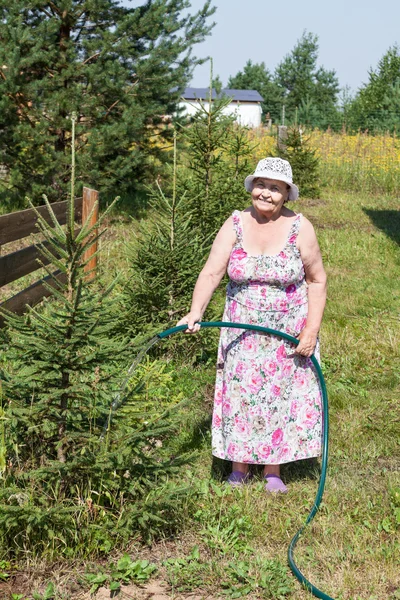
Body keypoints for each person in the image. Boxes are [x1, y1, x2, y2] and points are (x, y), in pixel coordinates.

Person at [177, 157, 327, 493]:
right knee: (241, 394)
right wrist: (195, 310)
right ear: (251, 187)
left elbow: (317, 281)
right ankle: (239, 467)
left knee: (281, 395)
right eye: (261, 185)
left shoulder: (301, 228)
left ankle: (273, 470)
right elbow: (212, 271)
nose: (266, 193)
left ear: (286, 194)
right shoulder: (234, 224)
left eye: (275, 188)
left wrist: (311, 330)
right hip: (241, 327)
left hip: (287, 328)